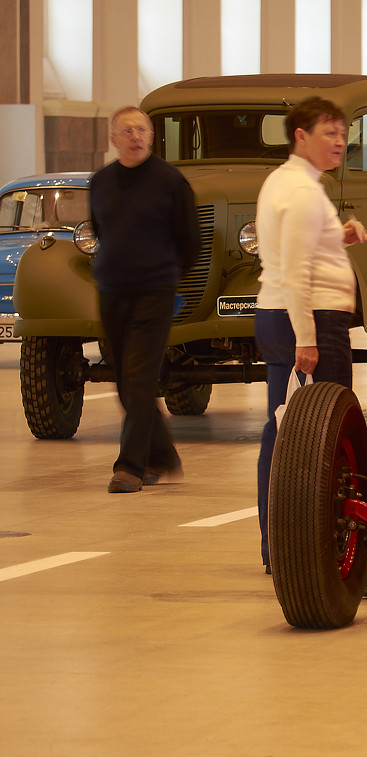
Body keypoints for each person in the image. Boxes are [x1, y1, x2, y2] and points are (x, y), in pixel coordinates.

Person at [254, 96, 367, 572]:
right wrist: (307, 339)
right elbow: (297, 272)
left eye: (343, 133)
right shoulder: (301, 192)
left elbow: (292, 252)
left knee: (285, 431)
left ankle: (280, 545)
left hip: (294, 316)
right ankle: (296, 546)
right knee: (311, 437)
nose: (340, 141)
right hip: (308, 321)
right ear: (300, 135)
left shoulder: (289, 183)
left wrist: (335, 237)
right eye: (329, 132)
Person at [89, 106, 201, 494]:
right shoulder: (100, 182)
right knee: (124, 383)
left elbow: (190, 241)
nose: (135, 136)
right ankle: (161, 455)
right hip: (112, 292)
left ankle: (130, 467)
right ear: (113, 138)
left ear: (151, 137)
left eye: (141, 130)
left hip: (154, 292)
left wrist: (166, 279)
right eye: (126, 130)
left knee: (138, 381)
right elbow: (102, 230)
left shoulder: (171, 183)